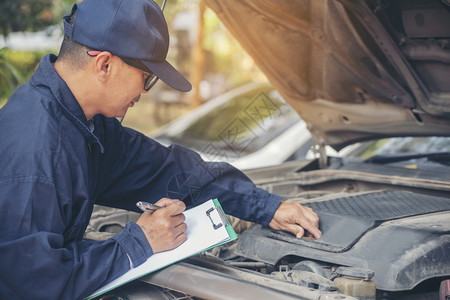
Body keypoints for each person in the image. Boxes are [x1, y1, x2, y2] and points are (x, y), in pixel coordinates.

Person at [0, 0, 321, 298]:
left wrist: (266, 207)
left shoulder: (81, 124)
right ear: (105, 65)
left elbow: (167, 170)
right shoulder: (36, 149)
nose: (144, 91)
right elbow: (35, 282)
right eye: (146, 78)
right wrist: (138, 243)